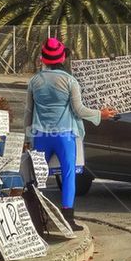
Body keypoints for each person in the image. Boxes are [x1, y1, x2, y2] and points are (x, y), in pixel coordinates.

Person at [24, 38, 115, 231]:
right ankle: (68, 219)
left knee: (38, 176)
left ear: (43, 59)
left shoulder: (34, 81)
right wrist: (101, 114)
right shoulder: (70, 81)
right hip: (65, 135)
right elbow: (79, 110)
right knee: (68, 175)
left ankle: (37, 219)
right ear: (63, 57)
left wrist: (27, 137)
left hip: (40, 134)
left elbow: (28, 112)